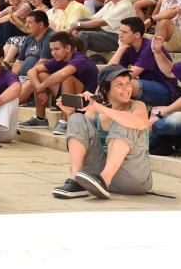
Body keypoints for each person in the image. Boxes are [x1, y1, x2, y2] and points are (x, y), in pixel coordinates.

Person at [51, 65, 153, 199]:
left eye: (128, 84)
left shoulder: (137, 105)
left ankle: (105, 180)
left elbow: (140, 122)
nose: (126, 89)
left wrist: (100, 108)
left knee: (124, 121)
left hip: (132, 178)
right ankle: (76, 182)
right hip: (95, 179)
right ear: (105, 89)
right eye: (119, 85)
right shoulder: (94, 110)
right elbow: (80, 138)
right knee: (77, 119)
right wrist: (71, 113)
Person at [25, 31, 99, 135]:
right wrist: (39, 87)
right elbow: (31, 71)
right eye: (51, 50)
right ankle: (40, 118)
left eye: (56, 49)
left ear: (68, 48)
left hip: (87, 101)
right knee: (41, 75)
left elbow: (62, 74)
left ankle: (64, 122)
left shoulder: (80, 59)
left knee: (67, 78)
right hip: (70, 97)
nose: (53, 53)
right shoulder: (59, 59)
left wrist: (42, 86)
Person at [109, 17, 179, 107]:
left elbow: (131, 75)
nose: (120, 35)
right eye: (120, 31)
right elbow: (108, 72)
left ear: (137, 35)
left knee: (123, 83)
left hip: (166, 91)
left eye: (124, 32)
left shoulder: (149, 47)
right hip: (147, 87)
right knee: (115, 81)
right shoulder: (127, 47)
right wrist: (120, 48)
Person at [70, 0, 134, 53]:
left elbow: (102, 22)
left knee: (83, 35)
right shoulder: (112, 3)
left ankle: (77, 60)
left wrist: (78, 25)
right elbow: (93, 18)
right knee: (81, 21)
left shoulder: (125, 6)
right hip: (104, 31)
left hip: (117, 38)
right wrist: (77, 26)